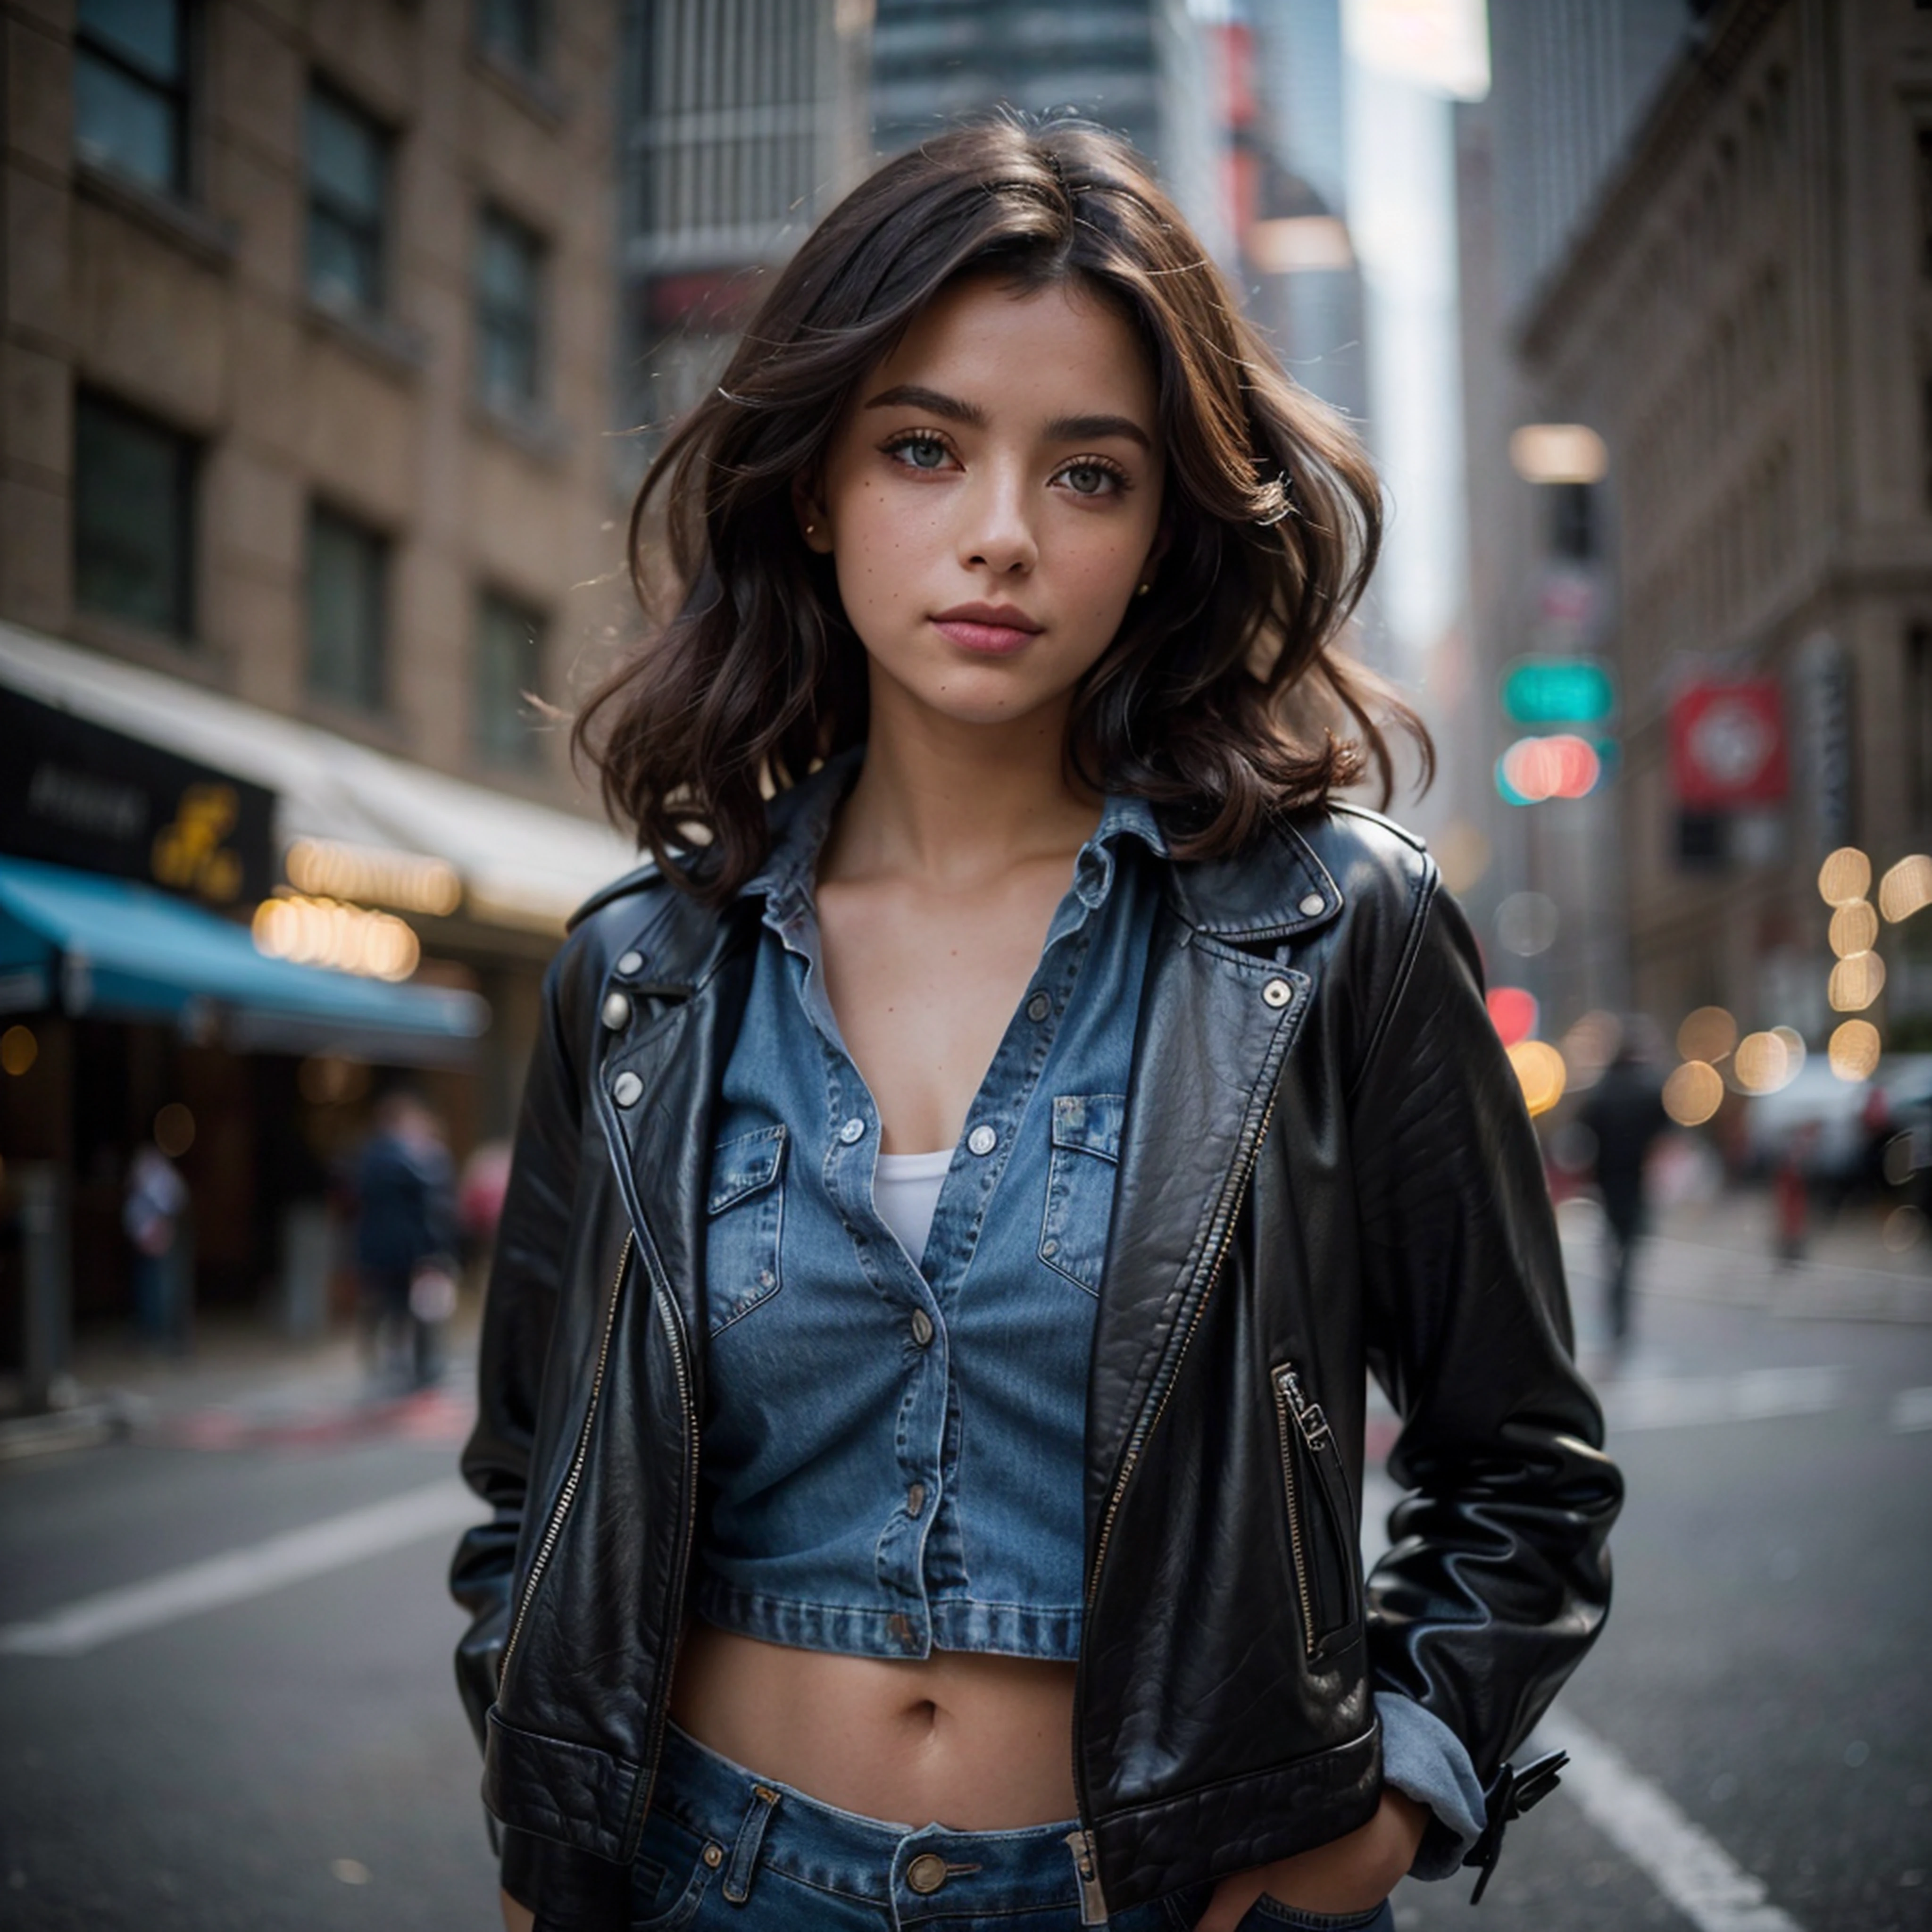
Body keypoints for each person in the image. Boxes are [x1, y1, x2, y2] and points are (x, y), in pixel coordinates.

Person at [451, 119, 1620, 1932]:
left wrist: (1403, 1781)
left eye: (1090, 476)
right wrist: (543, 1819)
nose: (1001, 536)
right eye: (924, 448)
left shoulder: (1333, 936)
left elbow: (1519, 1465)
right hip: (706, 1878)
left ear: (1164, 532)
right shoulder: (636, 974)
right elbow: (536, 1495)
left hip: (1172, 1889)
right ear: (816, 482)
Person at [352, 1087, 456, 1391]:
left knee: (401, 1305)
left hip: (394, 1246)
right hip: (403, 1247)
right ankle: (407, 1365)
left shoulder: (378, 1155)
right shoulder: (397, 1157)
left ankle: (408, 1365)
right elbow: (428, 1196)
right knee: (403, 1305)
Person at [1576, 1038, 1671, 1350]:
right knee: (1630, 1252)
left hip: (1608, 1179)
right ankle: (1621, 1316)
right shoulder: (1648, 1089)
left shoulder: (1602, 1091)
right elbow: (1665, 1131)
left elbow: (1583, 1129)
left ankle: (1614, 1310)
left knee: (1611, 1250)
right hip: (1636, 1178)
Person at [124, 1140, 188, 1353]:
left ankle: (163, 1336)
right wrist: (143, 1234)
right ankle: (152, 1335)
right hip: (145, 1239)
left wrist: (160, 1229)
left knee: (163, 1289)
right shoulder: (146, 1169)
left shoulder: (159, 1172)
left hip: (160, 1238)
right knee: (149, 1289)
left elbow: (176, 1198)